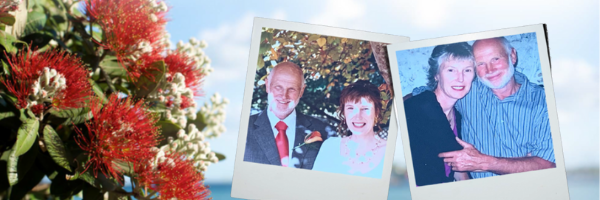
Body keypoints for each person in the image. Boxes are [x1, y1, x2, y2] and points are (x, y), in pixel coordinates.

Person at [439, 37, 556, 179]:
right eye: (481, 63)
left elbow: (549, 165)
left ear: (512, 56)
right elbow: (421, 96)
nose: (490, 70)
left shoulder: (543, 100)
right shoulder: (465, 90)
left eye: (495, 59)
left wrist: (483, 163)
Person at [403, 42, 475, 186]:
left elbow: (458, 170)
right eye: (451, 70)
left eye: (467, 70)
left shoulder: (458, 116)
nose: (460, 78)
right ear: (436, 74)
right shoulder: (419, 107)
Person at [243, 62, 333, 169]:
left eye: (292, 89)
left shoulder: (324, 132)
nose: (284, 95)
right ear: (267, 85)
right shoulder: (243, 129)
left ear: (301, 91)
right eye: (278, 87)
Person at [312, 80, 387, 178]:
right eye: (350, 108)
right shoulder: (329, 147)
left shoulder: (389, 151)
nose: (358, 117)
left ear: (376, 112)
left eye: (365, 109)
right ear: (344, 112)